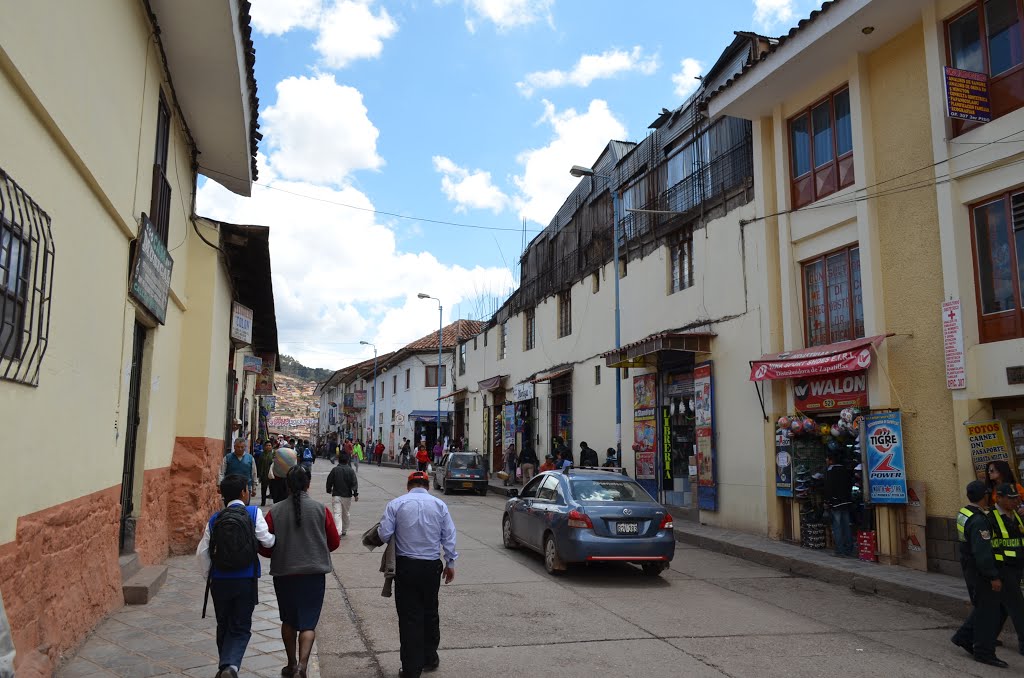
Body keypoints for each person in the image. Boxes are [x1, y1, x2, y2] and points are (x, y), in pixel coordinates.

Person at [262, 466, 340, 678]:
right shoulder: (320, 510)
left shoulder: (275, 512)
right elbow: (334, 542)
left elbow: (265, 547)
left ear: (287, 485)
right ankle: (302, 667)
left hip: (284, 574)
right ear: (308, 484)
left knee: (288, 620)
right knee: (308, 623)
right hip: (313, 576)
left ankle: (291, 663)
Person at [377, 471, 457, 678]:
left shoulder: (396, 504)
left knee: (409, 616)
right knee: (430, 612)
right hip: (431, 567)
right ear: (427, 486)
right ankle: (429, 658)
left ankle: (412, 668)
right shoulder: (439, 505)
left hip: (406, 567)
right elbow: (448, 536)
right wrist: (450, 563)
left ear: (408, 485)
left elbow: (384, 533)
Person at [196, 474, 276, 678]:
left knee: (223, 623)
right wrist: (275, 538)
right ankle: (230, 666)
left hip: (219, 581)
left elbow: (202, 553)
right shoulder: (252, 512)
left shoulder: (215, 518)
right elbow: (266, 541)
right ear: (243, 492)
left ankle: (224, 666)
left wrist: (210, 577)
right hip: (245, 579)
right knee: (240, 625)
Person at [951, 480, 1008, 667]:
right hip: (979, 569)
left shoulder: (965, 512)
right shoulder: (978, 520)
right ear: (984, 496)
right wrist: (992, 575)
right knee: (988, 612)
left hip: (969, 565)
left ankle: (964, 636)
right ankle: (984, 651)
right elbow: (982, 553)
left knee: (983, 607)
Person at [990, 483, 1024, 655]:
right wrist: (994, 574)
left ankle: (988, 635)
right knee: (1018, 605)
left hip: (1018, 565)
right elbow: (990, 546)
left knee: (1004, 605)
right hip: (1004, 568)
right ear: (999, 497)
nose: (1014, 501)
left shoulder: (1016, 515)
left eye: (1015, 497)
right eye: (1010, 498)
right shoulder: (990, 517)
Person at [823, 451, 855, 558]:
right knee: (846, 526)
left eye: (827, 459)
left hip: (835, 503)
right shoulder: (846, 470)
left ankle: (840, 550)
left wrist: (827, 501)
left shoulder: (830, 471)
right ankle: (849, 549)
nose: (826, 461)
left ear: (831, 460)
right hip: (846, 502)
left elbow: (828, 487)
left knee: (837, 527)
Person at [325, 454, 358, 537]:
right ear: (347, 461)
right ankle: (344, 530)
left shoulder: (335, 470)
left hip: (336, 495)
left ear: (338, 460)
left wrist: (329, 489)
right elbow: (354, 483)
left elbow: (329, 481)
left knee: (337, 514)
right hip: (347, 496)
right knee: (345, 513)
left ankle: (338, 532)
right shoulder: (351, 471)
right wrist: (355, 494)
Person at [269, 439, 298, 504]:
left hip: (277, 479)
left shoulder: (277, 452)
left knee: (277, 496)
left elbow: (273, 462)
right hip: (288, 480)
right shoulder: (294, 454)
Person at [256, 441, 274, 506]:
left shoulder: (273, 454)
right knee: (263, 489)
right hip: (264, 475)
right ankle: (263, 502)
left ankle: (274, 502)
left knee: (273, 489)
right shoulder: (261, 455)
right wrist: (259, 475)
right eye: (267, 445)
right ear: (264, 447)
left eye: (270, 445)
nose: (268, 446)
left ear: (272, 447)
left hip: (272, 475)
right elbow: (259, 465)